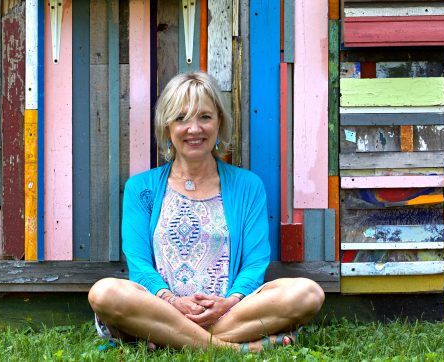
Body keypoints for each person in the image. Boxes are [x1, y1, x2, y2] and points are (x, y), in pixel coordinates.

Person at [88, 71, 325, 353]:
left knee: (308, 293)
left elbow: (255, 263)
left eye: (205, 117)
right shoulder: (141, 188)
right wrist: (172, 302)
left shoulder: (248, 186)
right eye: (181, 118)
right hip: (162, 308)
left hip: (229, 311)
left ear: (219, 123)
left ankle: (169, 340)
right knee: (104, 292)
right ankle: (233, 348)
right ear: (166, 128)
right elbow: (139, 266)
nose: (194, 128)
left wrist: (230, 301)